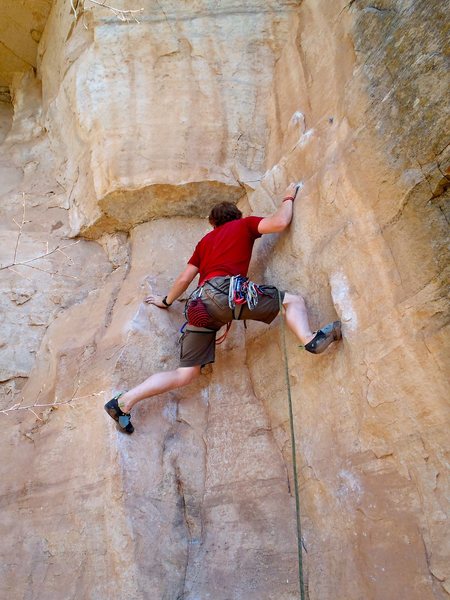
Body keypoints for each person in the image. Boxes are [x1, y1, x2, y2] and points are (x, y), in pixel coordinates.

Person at [104, 183, 341, 433]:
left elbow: (185, 279)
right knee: (292, 301)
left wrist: (165, 301)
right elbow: (280, 222)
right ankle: (310, 338)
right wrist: (288, 197)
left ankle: (123, 402)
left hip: (198, 307)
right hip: (227, 294)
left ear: (213, 223)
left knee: (186, 374)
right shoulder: (244, 225)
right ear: (235, 217)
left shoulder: (204, 242)